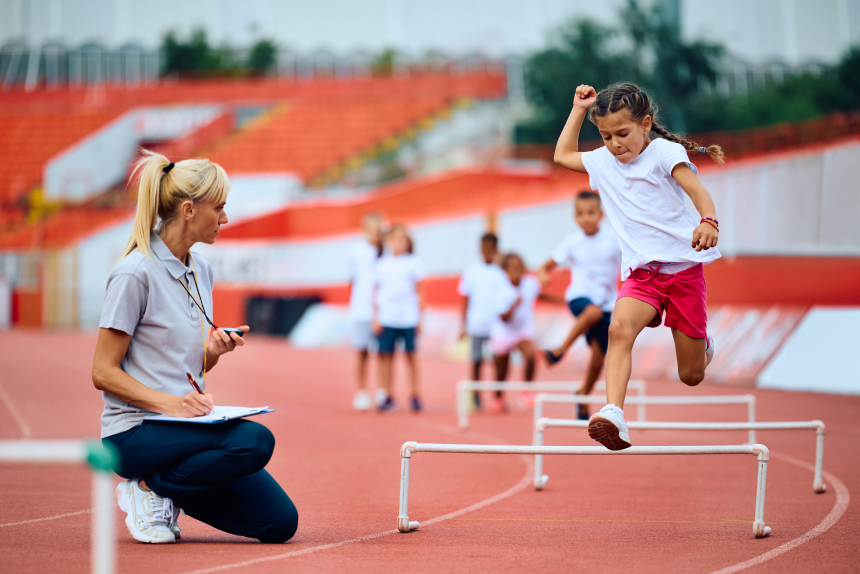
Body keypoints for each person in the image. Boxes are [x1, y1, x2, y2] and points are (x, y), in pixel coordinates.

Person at [91, 151, 298, 544]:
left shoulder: (200, 269)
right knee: (254, 440)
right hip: (135, 433)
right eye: (219, 208)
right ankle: (147, 489)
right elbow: (103, 372)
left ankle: (165, 488)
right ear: (189, 209)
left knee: (279, 524)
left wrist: (213, 353)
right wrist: (172, 405)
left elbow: (182, 369)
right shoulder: (134, 274)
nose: (225, 218)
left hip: (185, 427)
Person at [553, 82, 722, 450]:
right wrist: (578, 109)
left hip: (683, 272)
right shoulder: (601, 161)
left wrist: (708, 221)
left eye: (623, 133)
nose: (615, 143)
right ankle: (614, 412)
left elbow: (696, 189)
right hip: (641, 275)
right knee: (619, 330)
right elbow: (562, 155)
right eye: (606, 135)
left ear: (646, 124)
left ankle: (703, 343)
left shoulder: (664, 152)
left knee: (691, 375)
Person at [537, 191, 622, 420]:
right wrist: (544, 275)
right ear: (575, 216)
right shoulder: (572, 242)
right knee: (591, 312)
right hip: (579, 297)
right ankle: (560, 349)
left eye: (591, 213)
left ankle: (582, 393)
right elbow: (544, 267)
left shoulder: (614, 239)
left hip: (606, 303)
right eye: (581, 214)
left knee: (597, 359)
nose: (586, 218)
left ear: (601, 215)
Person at [490, 253, 563, 412]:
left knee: (530, 355)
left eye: (519, 268)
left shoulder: (529, 283)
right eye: (513, 268)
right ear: (506, 270)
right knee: (502, 371)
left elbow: (538, 294)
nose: (517, 272)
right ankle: (498, 398)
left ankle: (526, 393)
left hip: (522, 332)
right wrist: (514, 305)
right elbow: (504, 318)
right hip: (503, 333)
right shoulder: (500, 289)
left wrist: (558, 300)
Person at [372, 224, 426, 412]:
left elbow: (420, 291)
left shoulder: (414, 262)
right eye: (395, 239)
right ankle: (386, 394)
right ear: (388, 241)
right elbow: (375, 292)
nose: (399, 243)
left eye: (403, 239)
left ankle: (415, 394)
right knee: (386, 357)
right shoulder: (381, 264)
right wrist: (376, 317)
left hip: (408, 317)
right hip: (387, 317)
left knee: (410, 357)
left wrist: (420, 318)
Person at [457, 233, 505, 410]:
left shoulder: (502, 271)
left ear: (496, 249)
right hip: (476, 324)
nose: (487, 252)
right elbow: (465, 299)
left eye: (491, 249)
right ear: (480, 249)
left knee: (498, 360)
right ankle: (476, 396)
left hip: (497, 326)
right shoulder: (471, 271)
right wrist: (463, 324)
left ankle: (498, 396)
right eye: (485, 248)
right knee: (476, 360)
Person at [346, 213, 383, 411]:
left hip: (383, 311)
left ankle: (382, 391)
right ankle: (361, 391)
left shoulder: (386, 251)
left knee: (385, 353)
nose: (376, 231)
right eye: (373, 227)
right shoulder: (356, 251)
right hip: (362, 309)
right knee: (362, 352)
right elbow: (352, 281)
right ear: (365, 229)